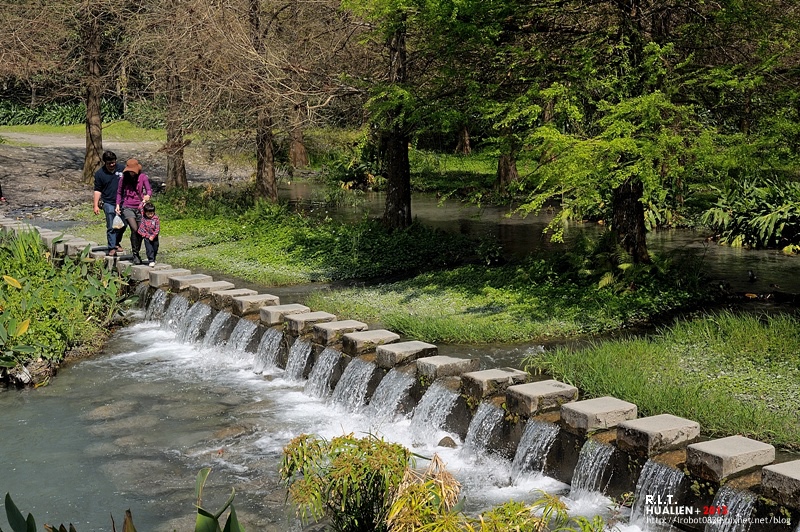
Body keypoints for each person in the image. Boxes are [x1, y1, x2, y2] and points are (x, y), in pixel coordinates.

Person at [115, 158, 152, 265]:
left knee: (140, 231)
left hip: (140, 207)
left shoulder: (143, 177)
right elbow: (119, 192)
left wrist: (147, 196)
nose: (131, 173)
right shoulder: (123, 178)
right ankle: (135, 254)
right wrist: (117, 204)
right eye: (129, 171)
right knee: (134, 229)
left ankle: (136, 252)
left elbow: (149, 190)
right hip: (127, 206)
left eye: (132, 171)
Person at [92, 151, 124, 255]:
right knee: (111, 225)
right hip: (108, 202)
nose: (111, 165)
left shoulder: (122, 170)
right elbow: (97, 190)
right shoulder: (100, 174)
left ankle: (116, 243)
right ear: (105, 162)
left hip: (122, 201)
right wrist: (95, 205)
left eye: (113, 162)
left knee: (123, 224)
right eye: (109, 163)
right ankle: (111, 247)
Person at [137, 202, 160, 267]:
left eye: (151, 213)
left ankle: (153, 258)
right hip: (146, 235)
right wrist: (144, 201)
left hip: (154, 236)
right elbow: (140, 207)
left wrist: (153, 236)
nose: (150, 215)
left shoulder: (156, 218)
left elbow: (157, 228)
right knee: (149, 248)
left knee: (155, 247)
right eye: (148, 214)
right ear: (145, 212)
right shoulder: (144, 216)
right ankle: (151, 260)